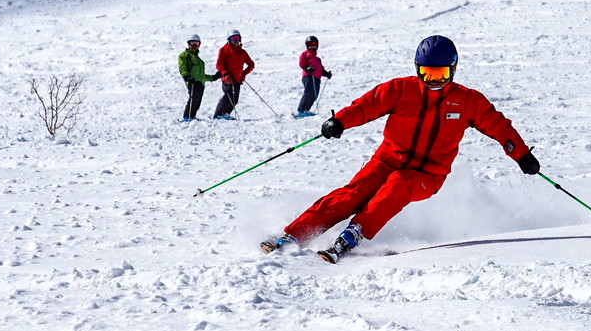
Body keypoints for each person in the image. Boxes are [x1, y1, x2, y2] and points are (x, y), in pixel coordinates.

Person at [261, 35, 540, 262]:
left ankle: (355, 232)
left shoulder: (467, 101)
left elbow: (499, 127)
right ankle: (294, 234)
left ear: (453, 69)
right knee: (352, 195)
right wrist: (339, 121)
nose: (434, 81)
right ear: (417, 69)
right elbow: (366, 107)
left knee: (399, 184)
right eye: (427, 74)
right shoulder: (400, 90)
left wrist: (522, 155)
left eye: (441, 74)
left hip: (428, 173)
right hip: (387, 160)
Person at [213, 29, 255, 119]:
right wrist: (225, 73)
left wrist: (243, 74)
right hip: (227, 79)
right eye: (233, 38)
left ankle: (225, 114)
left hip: (237, 79)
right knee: (228, 96)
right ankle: (217, 115)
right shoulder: (224, 50)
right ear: (229, 40)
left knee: (235, 99)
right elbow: (219, 64)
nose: (235, 40)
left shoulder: (242, 52)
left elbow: (251, 64)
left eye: (237, 38)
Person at [178, 34, 218, 121]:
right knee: (193, 98)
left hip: (200, 83)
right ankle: (187, 116)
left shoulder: (200, 61)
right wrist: (187, 77)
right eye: (192, 43)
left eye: (196, 43)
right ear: (188, 44)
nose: (194, 46)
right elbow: (182, 67)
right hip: (192, 82)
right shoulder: (185, 56)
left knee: (198, 101)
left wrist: (213, 77)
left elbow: (201, 76)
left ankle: (192, 116)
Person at [295, 35, 332, 118]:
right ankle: (301, 109)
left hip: (317, 78)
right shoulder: (305, 54)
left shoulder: (318, 59)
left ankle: (306, 110)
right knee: (308, 92)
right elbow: (302, 63)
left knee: (314, 95)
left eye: (314, 45)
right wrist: (307, 68)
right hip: (308, 76)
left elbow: (321, 70)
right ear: (307, 46)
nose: (313, 47)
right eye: (310, 45)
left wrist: (326, 74)